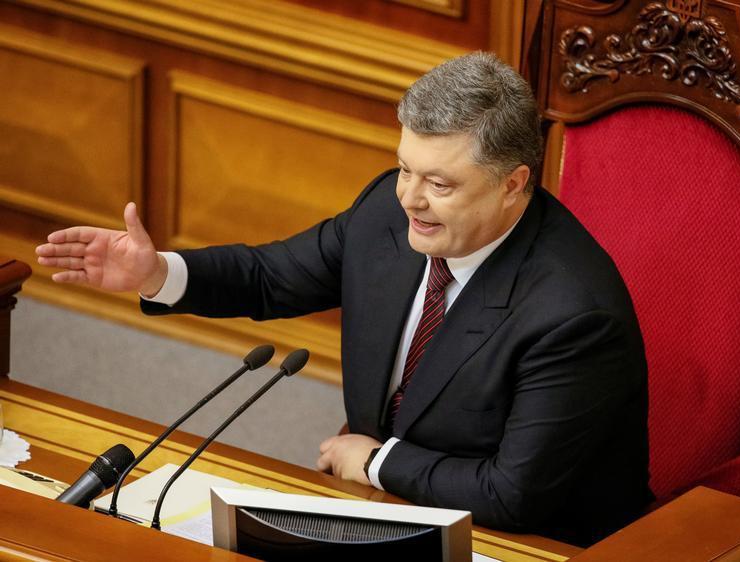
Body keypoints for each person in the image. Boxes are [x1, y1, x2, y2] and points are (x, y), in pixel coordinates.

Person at [36, 52, 652, 545]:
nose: (410, 198)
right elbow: (271, 276)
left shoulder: (573, 314)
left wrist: (377, 461)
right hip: (374, 510)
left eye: (439, 183)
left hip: (523, 543)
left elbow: (513, 495)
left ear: (514, 184)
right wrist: (155, 273)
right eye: (405, 167)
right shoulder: (389, 212)